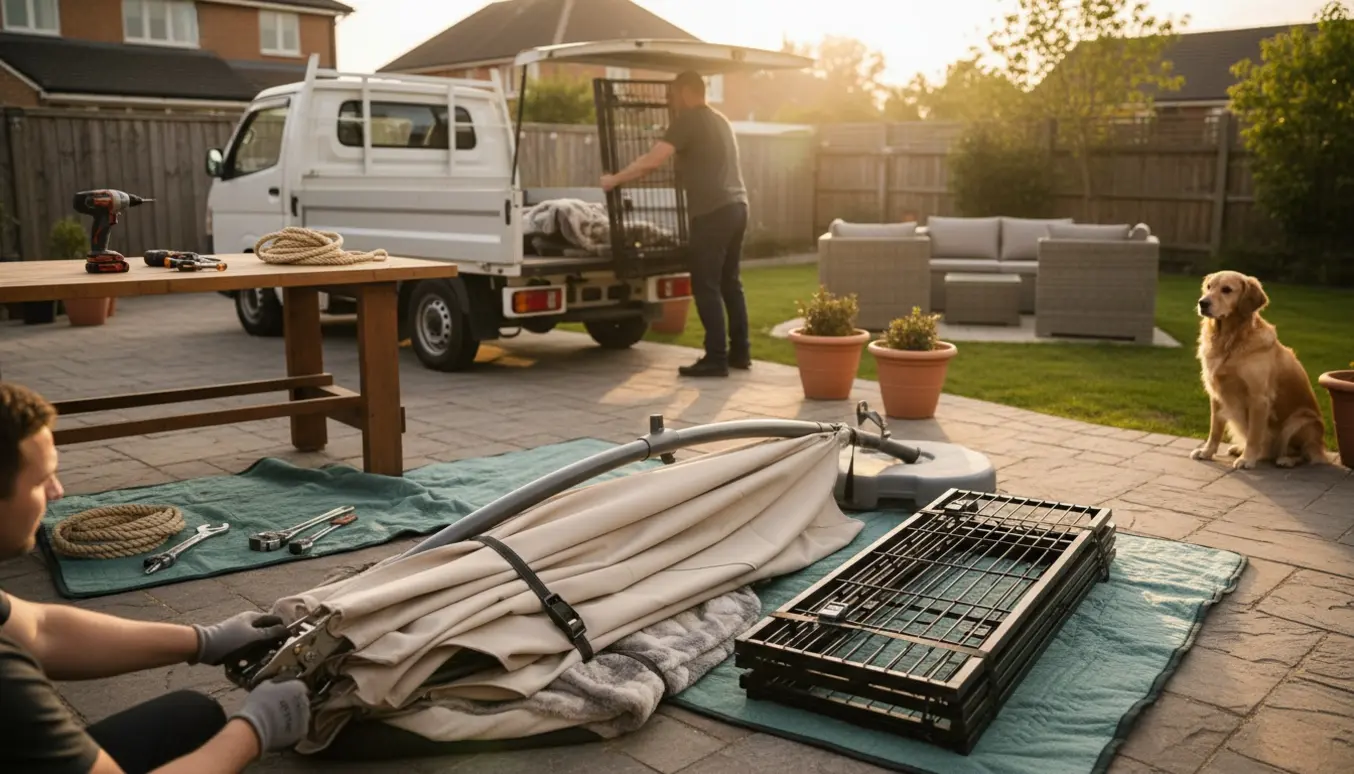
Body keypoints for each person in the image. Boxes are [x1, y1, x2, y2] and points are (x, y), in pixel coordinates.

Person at [0, 381, 310, 773]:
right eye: (40, 480)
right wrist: (255, 730)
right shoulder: (7, 683)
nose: (57, 492)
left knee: (192, 716)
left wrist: (204, 641)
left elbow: (40, 629)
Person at [601, 70, 751, 378]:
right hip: (738, 207)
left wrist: (614, 179)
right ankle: (740, 352)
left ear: (684, 91)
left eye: (672, 94)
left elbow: (653, 160)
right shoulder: (721, 120)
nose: (671, 100)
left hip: (712, 212)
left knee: (705, 284)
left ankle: (716, 358)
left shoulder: (689, 120)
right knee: (730, 283)